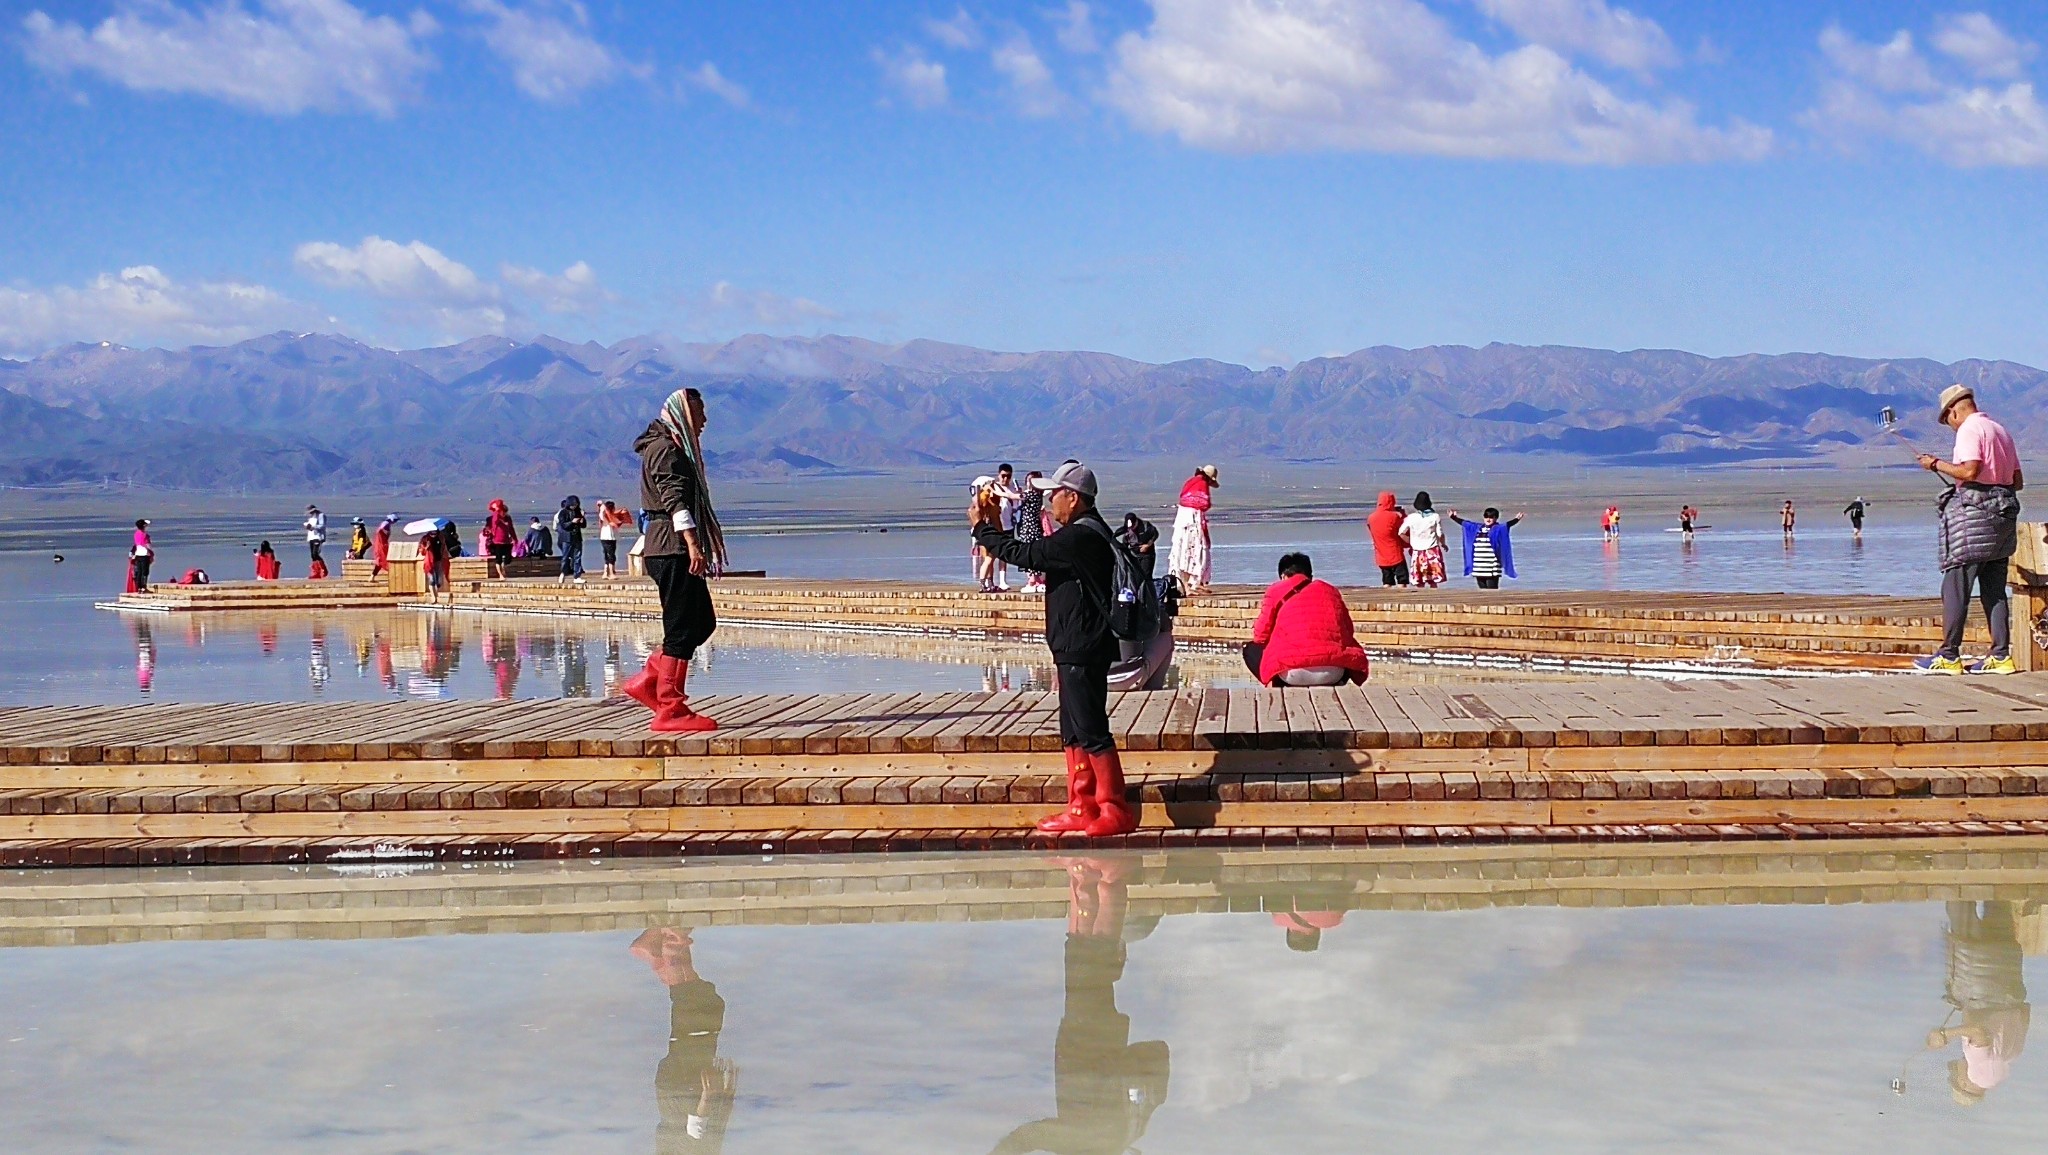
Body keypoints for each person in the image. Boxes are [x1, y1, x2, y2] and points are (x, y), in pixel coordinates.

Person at [974, 461, 1135, 837]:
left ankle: (1114, 807)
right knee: (1074, 727)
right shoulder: (1086, 532)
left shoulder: (1079, 537)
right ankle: (1082, 804)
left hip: (1082, 643)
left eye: (1053, 494)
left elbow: (1027, 555)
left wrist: (982, 528)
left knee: (1091, 727)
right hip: (1075, 643)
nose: (1048, 502)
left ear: (1073, 498)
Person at [990, 856, 1169, 1155]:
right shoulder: (1080, 1144)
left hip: (1098, 1040)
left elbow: (1029, 1138)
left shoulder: (1113, 1140)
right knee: (1085, 962)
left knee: (1088, 961)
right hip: (1085, 1039)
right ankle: (1106, 875)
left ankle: (1089, 877)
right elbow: (1028, 1137)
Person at [620, 388, 728, 732]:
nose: (705, 422)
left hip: (669, 547)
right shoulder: (666, 450)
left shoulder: (670, 446)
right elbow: (674, 500)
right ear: (682, 413)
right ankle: (670, 706)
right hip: (671, 548)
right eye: (700, 413)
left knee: (701, 622)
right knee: (682, 629)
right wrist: (694, 544)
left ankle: (648, 680)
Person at [1917, 384, 2025, 675]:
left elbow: (1969, 471)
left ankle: (1949, 655)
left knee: (1955, 585)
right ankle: (2000, 656)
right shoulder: (2000, 430)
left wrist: (1935, 464)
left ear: (1953, 411)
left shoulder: (1968, 429)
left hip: (1972, 520)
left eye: (1947, 420)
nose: (1950, 426)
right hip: (2003, 518)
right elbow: (2017, 481)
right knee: (1994, 590)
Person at [632, 928, 739, 1153]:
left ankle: (669, 946)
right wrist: (726, 1100)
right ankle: (663, 953)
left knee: (703, 1010)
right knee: (699, 1009)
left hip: (686, 1091)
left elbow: (694, 1139)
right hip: (674, 1091)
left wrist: (706, 1102)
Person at [1925, 901, 2031, 1107]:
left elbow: (2024, 1012)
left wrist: (1969, 1009)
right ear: (1964, 1083)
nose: (1959, 1066)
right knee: (1960, 903)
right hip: (1975, 968)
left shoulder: (2012, 1056)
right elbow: (1979, 1033)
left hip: (2008, 965)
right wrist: (1946, 1035)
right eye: (1956, 1073)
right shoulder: (1979, 1074)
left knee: (1999, 901)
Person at [1241, 553, 1370, 686]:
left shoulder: (1275, 591)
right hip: (1335, 671)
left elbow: (1260, 636)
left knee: (1250, 649)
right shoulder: (1331, 590)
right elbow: (1348, 631)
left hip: (1291, 673)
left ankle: (1275, 686)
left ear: (1283, 576)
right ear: (1310, 575)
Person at [1107, 513, 1177, 693]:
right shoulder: (1140, 599)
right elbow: (1163, 624)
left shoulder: (1097, 595)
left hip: (1093, 678)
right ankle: (1153, 690)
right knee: (1165, 638)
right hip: (1123, 677)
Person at [1167, 465, 1219, 594]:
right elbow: (1203, 503)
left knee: (1191, 548)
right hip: (1190, 520)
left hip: (1187, 518)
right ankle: (1186, 585)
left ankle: (1195, 582)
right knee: (1188, 549)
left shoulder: (1191, 482)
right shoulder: (1201, 483)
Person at [1447, 507, 1523, 589]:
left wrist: (1516, 519)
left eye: (1491, 517)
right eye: (1486, 517)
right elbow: (1465, 523)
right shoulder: (1477, 528)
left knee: (1492, 590)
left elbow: (1507, 525)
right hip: (1479, 566)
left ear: (1496, 518)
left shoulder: (1498, 529)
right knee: (1482, 590)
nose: (1488, 519)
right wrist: (1454, 518)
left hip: (1492, 567)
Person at [1400, 492, 1447, 589]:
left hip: (1417, 552)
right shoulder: (1435, 516)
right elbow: (1440, 534)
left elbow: (1401, 533)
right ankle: (1434, 598)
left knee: (1419, 580)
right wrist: (1443, 544)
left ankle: (1419, 598)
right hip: (1432, 551)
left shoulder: (1411, 517)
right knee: (1433, 580)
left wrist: (1410, 542)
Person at [990, 464, 1022, 592]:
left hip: (1009, 525)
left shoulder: (1013, 489)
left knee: (1004, 554)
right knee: (991, 554)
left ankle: (1002, 580)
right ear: (999, 475)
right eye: (1003, 476)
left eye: (1008, 476)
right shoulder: (993, 488)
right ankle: (989, 580)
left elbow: (1017, 504)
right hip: (996, 525)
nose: (1005, 479)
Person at [1366, 491, 1409, 586]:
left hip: (1381, 555)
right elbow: (1404, 529)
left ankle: (1387, 598)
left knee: (1387, 581)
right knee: (1402, 580)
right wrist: (1403, 514)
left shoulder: (1371, 518)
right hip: (1396, 554)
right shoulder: (1395, 516)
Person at [1016, 471, 1047, 594]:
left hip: (1028, 528)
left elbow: (1015, 497)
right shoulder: (1039, 495)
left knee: (1028, 554)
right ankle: (1039, 580)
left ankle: (1032, 581)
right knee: (1035, 553)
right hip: (1036, 527)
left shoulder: (1030, 495)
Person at [555, 495, 588, 586]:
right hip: (567, 538)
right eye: (573, 505)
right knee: (565, 557)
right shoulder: (563, 513)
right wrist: (572, 522)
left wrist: (582, 520)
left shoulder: (578, 512)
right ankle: (563, 573)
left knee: (577, 556)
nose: (575, 507)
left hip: (577, 537)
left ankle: (577, 576)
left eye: (576, 505)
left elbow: (584, 525)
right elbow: (564, 525)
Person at [597, 499, 633, 579]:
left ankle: (606, 573)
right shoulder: (605, 516)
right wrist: (601, 506)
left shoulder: (613, 516)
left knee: (608, 554)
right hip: (607, 537)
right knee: (610, 555)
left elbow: (621, 517)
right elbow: (602, 513)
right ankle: (611, 573)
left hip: (610, 537)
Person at [483, 499, 517, 580]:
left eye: (505, 512)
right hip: (497, 541)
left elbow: (511, 528)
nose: (504, 514)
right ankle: (500, 575)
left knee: (508, 558)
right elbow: (495, 519)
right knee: (498, 559)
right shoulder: (496, 518)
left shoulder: (508, 518)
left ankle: (503, 568)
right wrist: (497, 508)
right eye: (503, 512)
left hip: (506, 541)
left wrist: (515, 538)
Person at [418, 524, 450, 605]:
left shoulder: (440, 537)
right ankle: (434, 598)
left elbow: (443, 547)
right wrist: (426, 548)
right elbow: (421, 551)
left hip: (438, 560)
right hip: (429, 562)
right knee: (432, 580)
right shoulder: (425, 539)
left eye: (435, 533)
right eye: (432, 533)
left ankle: (437, 596)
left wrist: (445, 555)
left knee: (439, 581)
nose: (433, 535)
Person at [127, 518, 153, 593]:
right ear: (144, 526)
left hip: (138, 554)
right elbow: (148, 545)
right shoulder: (145, 535)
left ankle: (138, 588)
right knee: (145, 572)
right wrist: (151, 552)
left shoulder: (136, 534)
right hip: (145, 554)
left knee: (139, 572)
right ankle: (143, 588)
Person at [303, 505, 328, 577]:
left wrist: (313, 527)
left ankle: (323, 569)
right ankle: (316, 572)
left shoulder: (321, 515)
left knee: (315, 553)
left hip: (318, 537)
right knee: (312, 555)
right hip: (311, 537)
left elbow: (322, 525)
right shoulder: (311, 517)